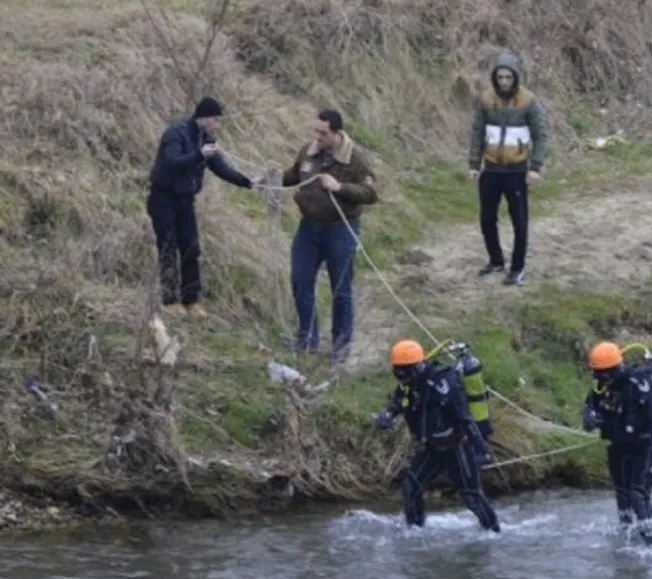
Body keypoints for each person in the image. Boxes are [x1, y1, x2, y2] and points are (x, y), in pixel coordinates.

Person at [146, 96, 261, 318]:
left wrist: (246, 181)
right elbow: (172, 162)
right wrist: (199, 154)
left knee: (191, 248)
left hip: (186, 200)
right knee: (168, 247)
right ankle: (169, 300)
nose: (217, 125)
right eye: (215, 120)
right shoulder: (175, 133)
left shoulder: (206, 138)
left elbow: (219, 167)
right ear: (205, 117)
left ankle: (192, 299)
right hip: (163, 198)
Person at [281, 108, 378, 366]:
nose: (318, 137)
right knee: (300, 280)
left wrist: (340, 187)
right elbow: (293, 175)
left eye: (323, 133)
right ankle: (307, 338)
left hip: (340, 230)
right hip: (308, 228)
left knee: (341, 289)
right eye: (316, 131)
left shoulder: (355, 159)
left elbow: (370, 193)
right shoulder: (308, 151)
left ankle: (340, 346)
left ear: (337, 133)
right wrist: (270, 178)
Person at [375, 339, 501, 534]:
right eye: (397, 371)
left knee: (470, 495)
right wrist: (388, 415)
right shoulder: (408, 384)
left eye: (404, 371)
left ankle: (494, 532)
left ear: (417, 366)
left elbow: (464, 418)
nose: (401, 376)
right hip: (432, 447)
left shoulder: (443, 383)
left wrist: (480, 450)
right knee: (411, 486)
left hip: (457, 446)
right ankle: (414, 531)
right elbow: (399, 401)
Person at [467, 51, 551, 287]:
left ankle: (517, 268)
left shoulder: (528, 101)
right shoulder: (485, 100)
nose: (504, 81)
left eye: (508, 77)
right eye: (500, 77)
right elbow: (477, 133)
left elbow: (541, 136)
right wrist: (474, 164)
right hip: (491, 170)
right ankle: (495, 260)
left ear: (516, 77)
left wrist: (535, 167)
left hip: (517, 171)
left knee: (519, 221)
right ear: (494, 77)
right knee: (486, 219)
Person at [582, 341, 652, 545]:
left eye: (603, 373)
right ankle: (627, 533)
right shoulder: (601, 387)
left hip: (643, 446)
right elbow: (590, 409)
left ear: (615, 369)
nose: (600, 378)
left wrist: (631, 430)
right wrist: (590, 419)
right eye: (597, 373)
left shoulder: (639, 384)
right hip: (618, 445)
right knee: (621, 491)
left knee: (638, 493)